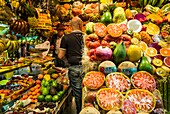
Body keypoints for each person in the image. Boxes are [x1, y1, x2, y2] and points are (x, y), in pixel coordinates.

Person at [58, 17, 84, 114]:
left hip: (73, 69)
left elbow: (60, 56)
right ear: (81, 25)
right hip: (86, 67)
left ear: (70, 26)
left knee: (78, 94)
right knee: (86, 92)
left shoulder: (66, 38)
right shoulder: (86, 37)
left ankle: (79, 111)